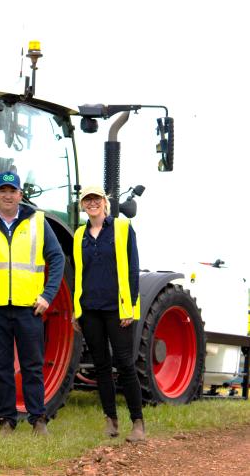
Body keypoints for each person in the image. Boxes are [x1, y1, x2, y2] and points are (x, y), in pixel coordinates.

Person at [0, 171, 65, 436]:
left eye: (12, 191)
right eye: (3, 190)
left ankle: (38, 419)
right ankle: (6, 420)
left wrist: (48, 296)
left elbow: (57, 257)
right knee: (2, 367)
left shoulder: (38, 222)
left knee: (32, 365)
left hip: (29, 307)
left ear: (20, 194)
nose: (7, 195)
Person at [72, 185, 145, 442]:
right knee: (101, 366)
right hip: (90, 309)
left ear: (104, 202)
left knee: (125, 364)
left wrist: (130, 307)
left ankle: (137, 423)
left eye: (96, 199)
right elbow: (79, 274)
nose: (92, 203)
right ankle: (111, 420)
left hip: (117, 309)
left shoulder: (123, 228)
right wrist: (76, 310)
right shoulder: (79, 234)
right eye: (87, 200)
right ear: (82, 205)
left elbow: (133, 269)